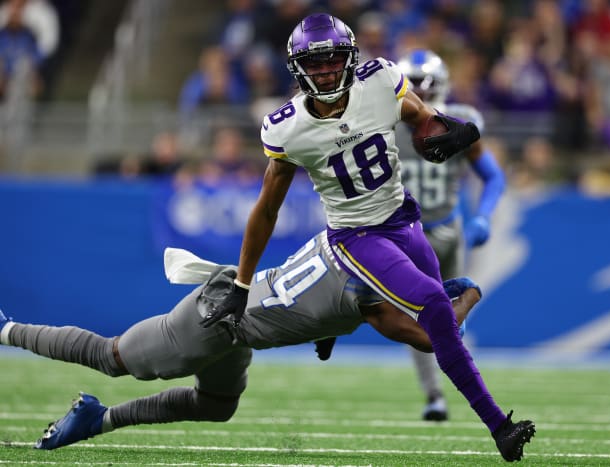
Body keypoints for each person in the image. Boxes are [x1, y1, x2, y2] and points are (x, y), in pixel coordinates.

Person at [198, 13, 534, 462]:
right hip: (356, 235)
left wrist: (440, 126)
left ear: (350, 58)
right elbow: (266, 209)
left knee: (447, 324)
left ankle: (339, 319)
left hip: (404, 217)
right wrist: (242, 284)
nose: (324, 72)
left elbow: (419, 115)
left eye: (332, 60)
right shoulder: (287, 127)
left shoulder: (379, 81)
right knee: (437, 311)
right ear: (297, 69)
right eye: (313, 65)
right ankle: (499, 426)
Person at [0, 231, 481, 451]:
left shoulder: (351, 246)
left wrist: (331, 331)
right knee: (110, 356)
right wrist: (470, 296)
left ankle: (97, 419)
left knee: (216, 405)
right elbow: (430, 338)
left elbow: (331, 300)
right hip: (212, 321)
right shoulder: (372, 292)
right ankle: (6, 329)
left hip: (237, 324)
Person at [395, 49, 506, 421]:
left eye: (427, 84)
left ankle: (453, 384)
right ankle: (434, 396)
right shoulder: (385, 123)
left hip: (447, 230)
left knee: (452, 321)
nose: (422, 93)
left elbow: (493, 176)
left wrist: (483, 217)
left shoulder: (462, 121)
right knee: (423, 320)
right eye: (415, 85)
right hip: (405, 236)